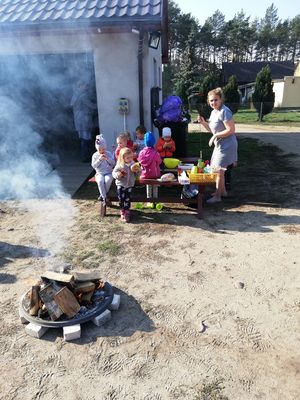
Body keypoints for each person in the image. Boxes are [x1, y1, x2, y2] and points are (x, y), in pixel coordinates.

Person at [198, 87, 238, 204]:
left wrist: (215, 136)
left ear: (221, 100)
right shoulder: (213, 112)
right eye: (211, 101)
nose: (213, 103)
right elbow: (212, 130)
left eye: (215, 100)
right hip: (219, 145)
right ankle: (223, 192)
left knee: (219, 171)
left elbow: (231, 130)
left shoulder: (225, 111)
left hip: (228, 145)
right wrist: (204, 123)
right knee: (218, 170)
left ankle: (218, 196)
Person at [71, 80, 98, 162]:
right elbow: (91, 106)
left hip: (78, 119)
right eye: (84, 86)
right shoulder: (83, 96)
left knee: (83, 138)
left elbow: (72, 105)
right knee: (86, 139)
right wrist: (101, 104)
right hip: (84, 119)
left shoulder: (75, 95)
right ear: (80, 86)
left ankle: (85, 156)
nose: (86, 87)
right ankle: (86, 157)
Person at [112, 147, 140, 222]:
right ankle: (122, 210)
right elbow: (114, 173)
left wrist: (137, 171)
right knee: (121, 198)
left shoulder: (133, 164)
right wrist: (119, 175)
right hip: (121, 184)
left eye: (131, 157)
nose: (130, 159)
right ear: (123, 158)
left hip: (129, 184)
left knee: (127, 198)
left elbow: (138, 175)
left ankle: (127, 211)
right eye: (128, 158)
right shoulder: (120, 165)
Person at [91, 134, 115, 216]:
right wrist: (99, 160)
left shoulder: (108, 153)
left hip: (108, 172)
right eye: (100, 149)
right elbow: (94, 166)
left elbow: (113, 163)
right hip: (99, 173)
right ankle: (105, 198)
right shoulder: (95, 155)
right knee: (100, 181)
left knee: (108, 181)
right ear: (97, 149)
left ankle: (102, 195)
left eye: (104, 149)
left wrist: (107, 159)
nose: (102, 151)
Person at [138, 131, 162, 202]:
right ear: (153, 142)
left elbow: (139, 161)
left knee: (148, 185)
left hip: (145, 175)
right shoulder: (156, 153)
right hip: (155, 174)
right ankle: (155, 200)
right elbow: (159, 162)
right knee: (155, 186)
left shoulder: (141, 152)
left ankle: (149, 200)